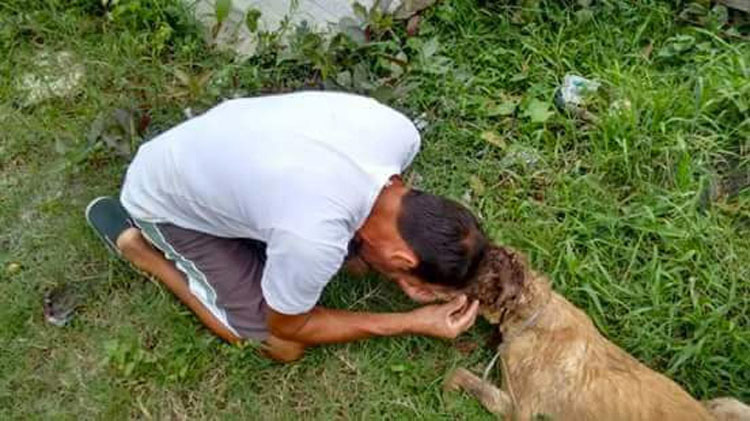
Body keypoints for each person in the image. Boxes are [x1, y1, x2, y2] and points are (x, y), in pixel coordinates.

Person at [86, 91, 487, 362]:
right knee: (282, 345)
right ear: (402, 257)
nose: (408, 289)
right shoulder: (314, 237)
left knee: (349, 260)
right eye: (411, 279)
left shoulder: (398, 134)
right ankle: (138, 248)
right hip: (164, 198)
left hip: (213, 153)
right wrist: (411, 322)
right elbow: (289, 325)